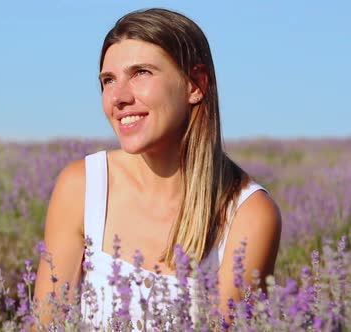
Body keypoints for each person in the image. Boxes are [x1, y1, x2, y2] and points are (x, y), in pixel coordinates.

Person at [33, 7, 281, 331]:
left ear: (196, 84)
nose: (118, 97)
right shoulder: (82, 187)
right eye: (109, 80)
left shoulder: (247, 214)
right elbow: (46, 324)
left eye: (141, 73)